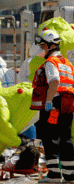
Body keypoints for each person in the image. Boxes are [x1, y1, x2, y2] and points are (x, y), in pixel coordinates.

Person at [31, 29, 74, 183]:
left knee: (50, 139)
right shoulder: (66, 63)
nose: (41, 49)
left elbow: (54, 81)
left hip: (54, 104)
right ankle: (69, 175)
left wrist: (48, 102)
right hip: (67, 103)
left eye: (42, 46)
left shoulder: (51, 63)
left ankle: (54, 175)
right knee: (66, 139)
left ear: (50, 46)